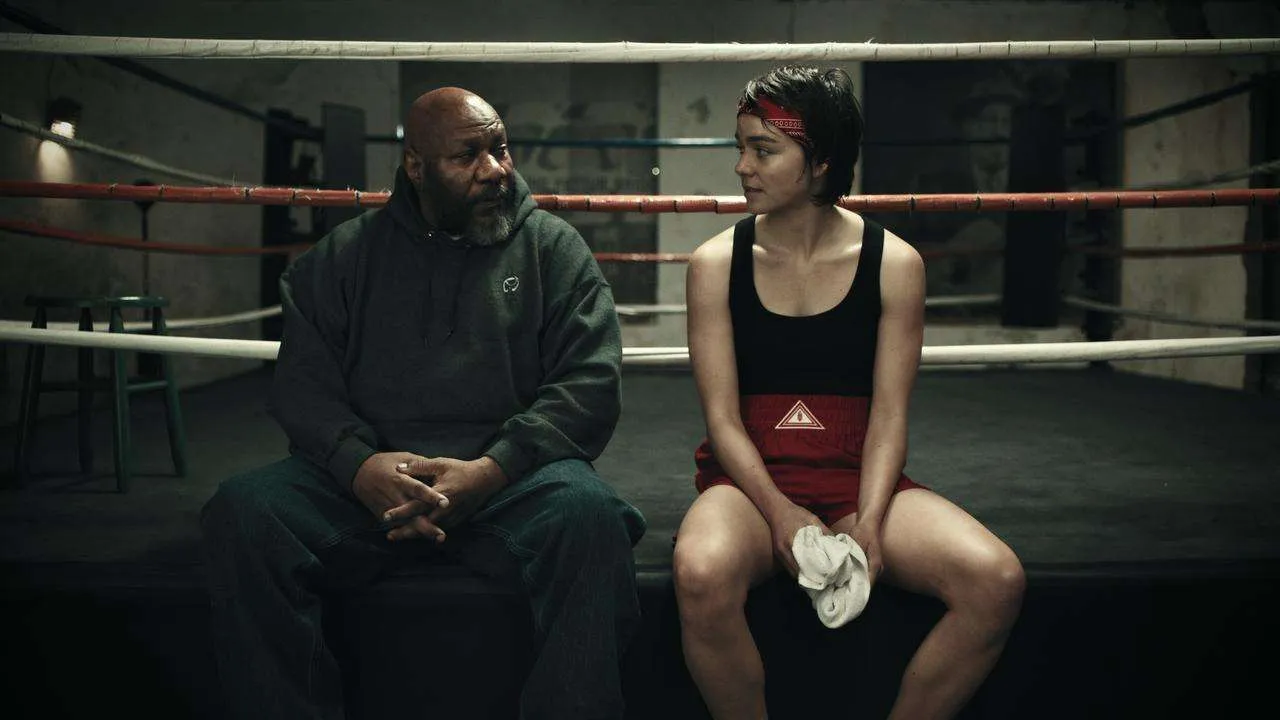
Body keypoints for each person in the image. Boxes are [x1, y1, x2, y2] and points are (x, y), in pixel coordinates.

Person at [200, 87, 646, 720]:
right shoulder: (343, 258)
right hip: (367, 485)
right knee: (245, 512)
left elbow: (590, 382)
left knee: (590, 516)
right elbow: (302, 385)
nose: (495, 169)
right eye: (468, 156)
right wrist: (359, 467)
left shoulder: (553, 249)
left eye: (500, 148)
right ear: (416, 165)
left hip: (507, 485)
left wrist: (490, 471)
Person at [672, 65, 1025, 720]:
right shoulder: (715, 264)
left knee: (996, 581)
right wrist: (780, 513)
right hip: (750, 484)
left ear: (821, 162)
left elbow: (890, 417)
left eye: (763, 150)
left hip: (857, 478)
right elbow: (721, 420)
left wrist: (869, 519)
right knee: (698, 571)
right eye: (741, 147)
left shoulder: (895, 264)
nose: (742, 167)